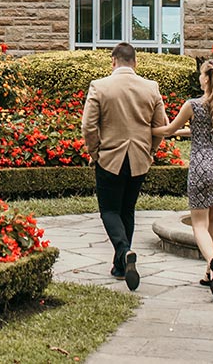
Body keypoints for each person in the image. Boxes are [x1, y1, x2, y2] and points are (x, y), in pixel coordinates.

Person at [81, 42, 168, 291]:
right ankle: (120, 266)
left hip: (109, 157)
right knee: (127, 209)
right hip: (139, 158)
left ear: (113, 61)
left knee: (109, 210)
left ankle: (123, 251)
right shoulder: (151, 87)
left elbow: (88, 126)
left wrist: (94, 152)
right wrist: (150, 151)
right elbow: (159, 125)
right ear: (135, 62)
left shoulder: (99, 86)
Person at [152, 59, 213, 296]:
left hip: (201, 167)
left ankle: (212, 261)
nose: (199, 78)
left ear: (207, 79)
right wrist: (185, 130)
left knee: (198, 223)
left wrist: (148, 130)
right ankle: (211, 272)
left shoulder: (193, 105)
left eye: (201, 75)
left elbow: (167, 130)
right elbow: (209, 129)